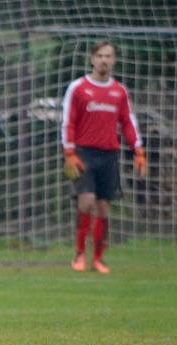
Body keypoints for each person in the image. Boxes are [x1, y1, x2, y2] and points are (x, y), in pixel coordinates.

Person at [62, 40, 147, 274]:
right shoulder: (78, 88)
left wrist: (138, 150)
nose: (104, 60)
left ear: (114, 60)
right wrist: (69, 151)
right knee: (86, 201)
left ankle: (98, 258)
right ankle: (79, 254)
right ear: (92, 59)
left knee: (102, 208)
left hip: (109, 155)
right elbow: (68, 121)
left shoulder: (119, 91)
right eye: (99, 55)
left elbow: (128, 122)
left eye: (108, 56)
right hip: (83, 153)